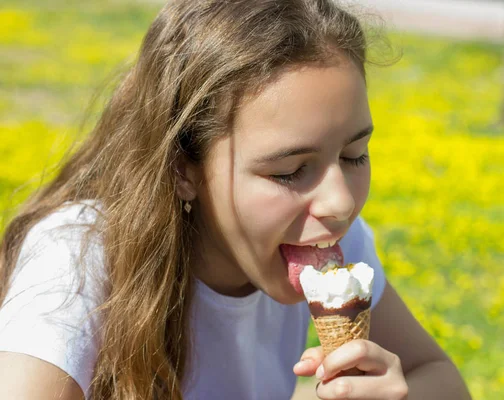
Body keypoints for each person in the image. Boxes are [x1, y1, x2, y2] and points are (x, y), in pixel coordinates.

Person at [0, 0, 471, 399]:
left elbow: (436, 373)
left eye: (354, 155)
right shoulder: (78, 256)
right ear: (183, 168)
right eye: (288, 171)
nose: (340, 204)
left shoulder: (337, 243)